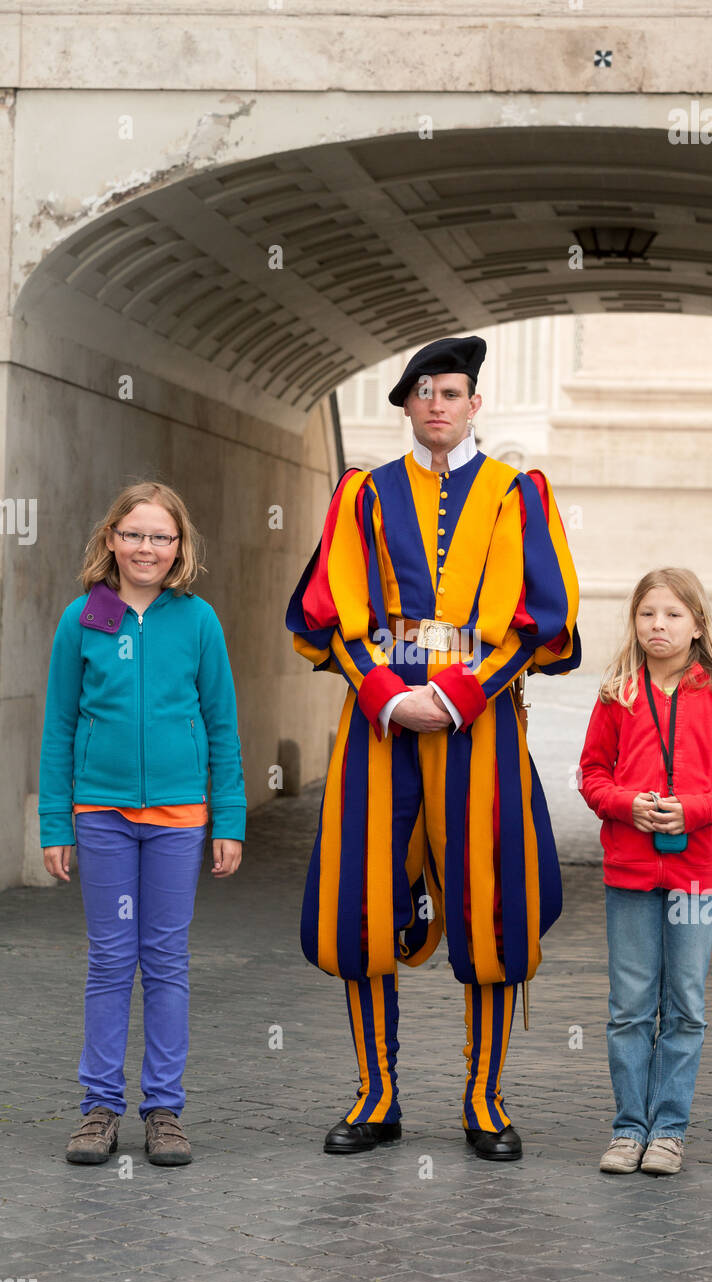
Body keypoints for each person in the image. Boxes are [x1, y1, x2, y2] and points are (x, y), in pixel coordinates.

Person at [287, 334, 581, 1161]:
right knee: (363, 904)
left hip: (481, 722)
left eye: (452, 392)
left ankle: (483, 1100)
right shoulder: (365, 494)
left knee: (490, 906)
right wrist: (384, 692)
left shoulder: (517, 493)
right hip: (378, 725)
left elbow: (544, 619)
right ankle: (375, 1095)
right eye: (424, 394)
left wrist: (457, 693)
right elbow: (325, 614)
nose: (438, 406)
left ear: (474, 402)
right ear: (408, 405)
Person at [39, 482, 246, 1166]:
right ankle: (99, 1109)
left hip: (179, 819)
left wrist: (230, 818)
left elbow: (222, 723)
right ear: (111, 540)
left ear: (179, 547)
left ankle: (164, 1111)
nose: (146, 549)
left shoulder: (198, 621)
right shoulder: (83, 618)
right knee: (108, 960)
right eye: (134, 535)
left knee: (164, 961)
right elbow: (60, 724)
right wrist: (54, 822)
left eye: (161, 537)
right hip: (100, 815)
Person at [578, 568, 712, 1175]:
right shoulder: (615, 696)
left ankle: (669, 1131)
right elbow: (592, 775)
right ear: (633, 622)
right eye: (648, 613)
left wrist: (696, 808)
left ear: (698, 625)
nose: (659, 624)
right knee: (629, 1005)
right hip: (629, 873)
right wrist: (625, 804)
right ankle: (629, 1128)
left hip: (694, 875)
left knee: (684, 1004)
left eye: (673, 614)